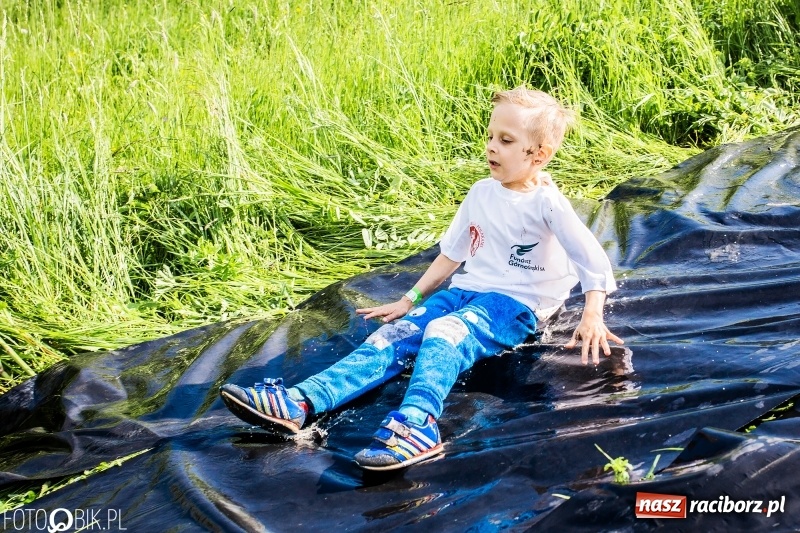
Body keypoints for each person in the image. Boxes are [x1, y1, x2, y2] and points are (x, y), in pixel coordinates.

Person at [220, 87, 623, 471]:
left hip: (516, 304)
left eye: (505, 140)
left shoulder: (547, 203)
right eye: (490, 136)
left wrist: (592, 313)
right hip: (467, 291)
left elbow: (590, 259)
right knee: (396, 334)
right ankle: (301, 402)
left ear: (538, 155)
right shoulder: (481, 193)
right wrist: (410, 299)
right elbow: (453, 254)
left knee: (445, 333)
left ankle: (418, 426)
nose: (490, 147)